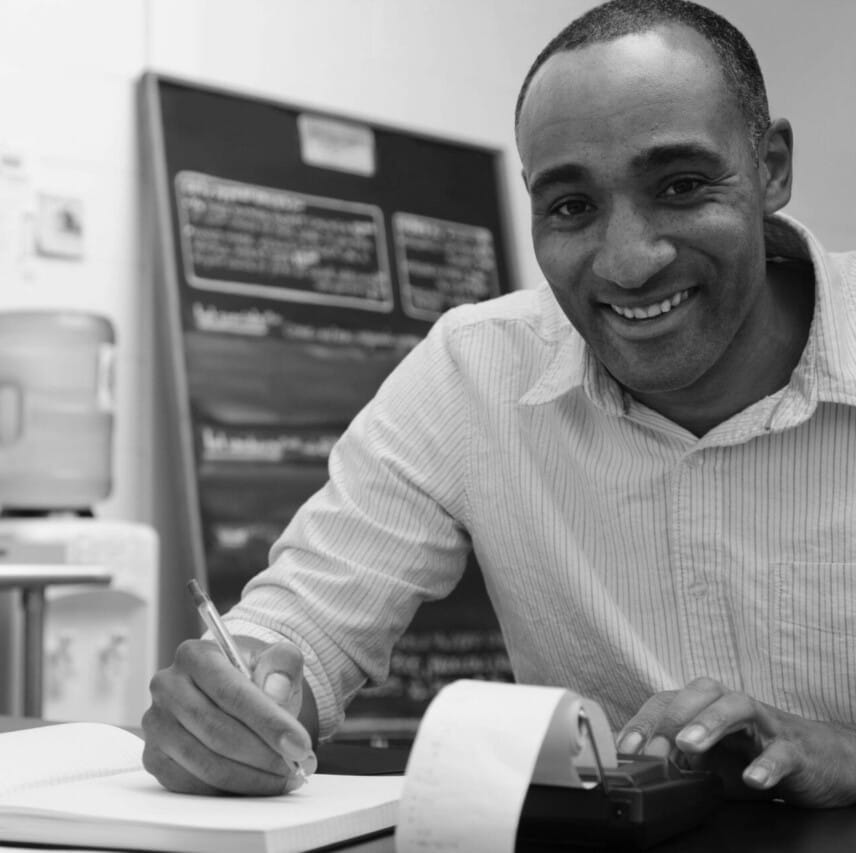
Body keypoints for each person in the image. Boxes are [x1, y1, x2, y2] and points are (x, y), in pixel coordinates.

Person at [141, 0, 856, 808]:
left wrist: (847, 751)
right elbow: (304, 624)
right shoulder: (474, 369)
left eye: (682, 186)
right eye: (571, 206)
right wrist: (236, 705)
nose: (627, 262)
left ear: (771, 169)